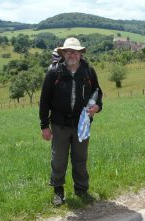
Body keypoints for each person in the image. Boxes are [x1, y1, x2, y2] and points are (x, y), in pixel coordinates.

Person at [39, 37, 103, 206]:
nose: (71, 54)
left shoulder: (89, 72)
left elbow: (98, 93)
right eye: (68, 51)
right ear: (63, 54)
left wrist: (97, 107)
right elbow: (44, 100)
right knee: (58, 159)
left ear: (80, 54)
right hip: (59, 125)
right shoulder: (54, 73)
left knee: (80, 158)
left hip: (82, 125)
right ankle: (58, 192)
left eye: (75, 51)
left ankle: (82, 190)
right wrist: (44, 126)